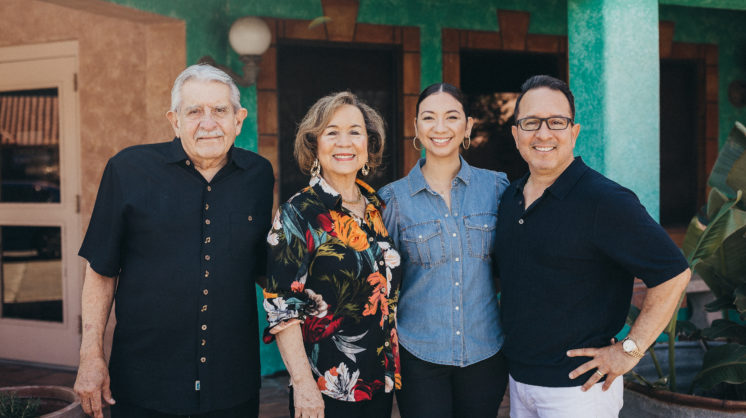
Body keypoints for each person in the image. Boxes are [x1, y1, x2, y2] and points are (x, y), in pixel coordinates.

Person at [73, 64, 274, 418]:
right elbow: (101, 270)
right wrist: (91, 356)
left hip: (232, 384)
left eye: (220, 110)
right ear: (174, 120)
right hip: (145, 386)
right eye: (194, 111)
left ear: (238, 119)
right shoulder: (128, 169)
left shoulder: (258, 175)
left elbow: (263, 268)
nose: (208, 123)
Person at [495, 75, 691, 417]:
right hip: (520, 384)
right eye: (531, 122)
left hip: (580, 393)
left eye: (556, 122)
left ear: (574, 132)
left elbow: (674, 274)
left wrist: (629, 351)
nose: (543, 133)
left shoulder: (604, 200)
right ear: (516, 134)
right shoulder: (510, 198)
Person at [263, 91, 401, 418]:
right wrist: (303, 385)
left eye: (355, 131)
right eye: (332, 132)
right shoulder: (298, 213)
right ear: (314, 145)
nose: (344, 142)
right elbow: (282, 307)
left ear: (368, 145)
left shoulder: (377, 208)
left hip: (377, 385)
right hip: (325, 390)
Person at [378, 83, 510, 418]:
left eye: (451, 117)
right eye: (429, 117)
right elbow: (383, 284)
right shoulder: (393, 200)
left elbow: (510, 266)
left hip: (485, 352)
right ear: (416, 126)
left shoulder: (496, 188)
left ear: (468, 126)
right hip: (418, 355)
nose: (440, 127)